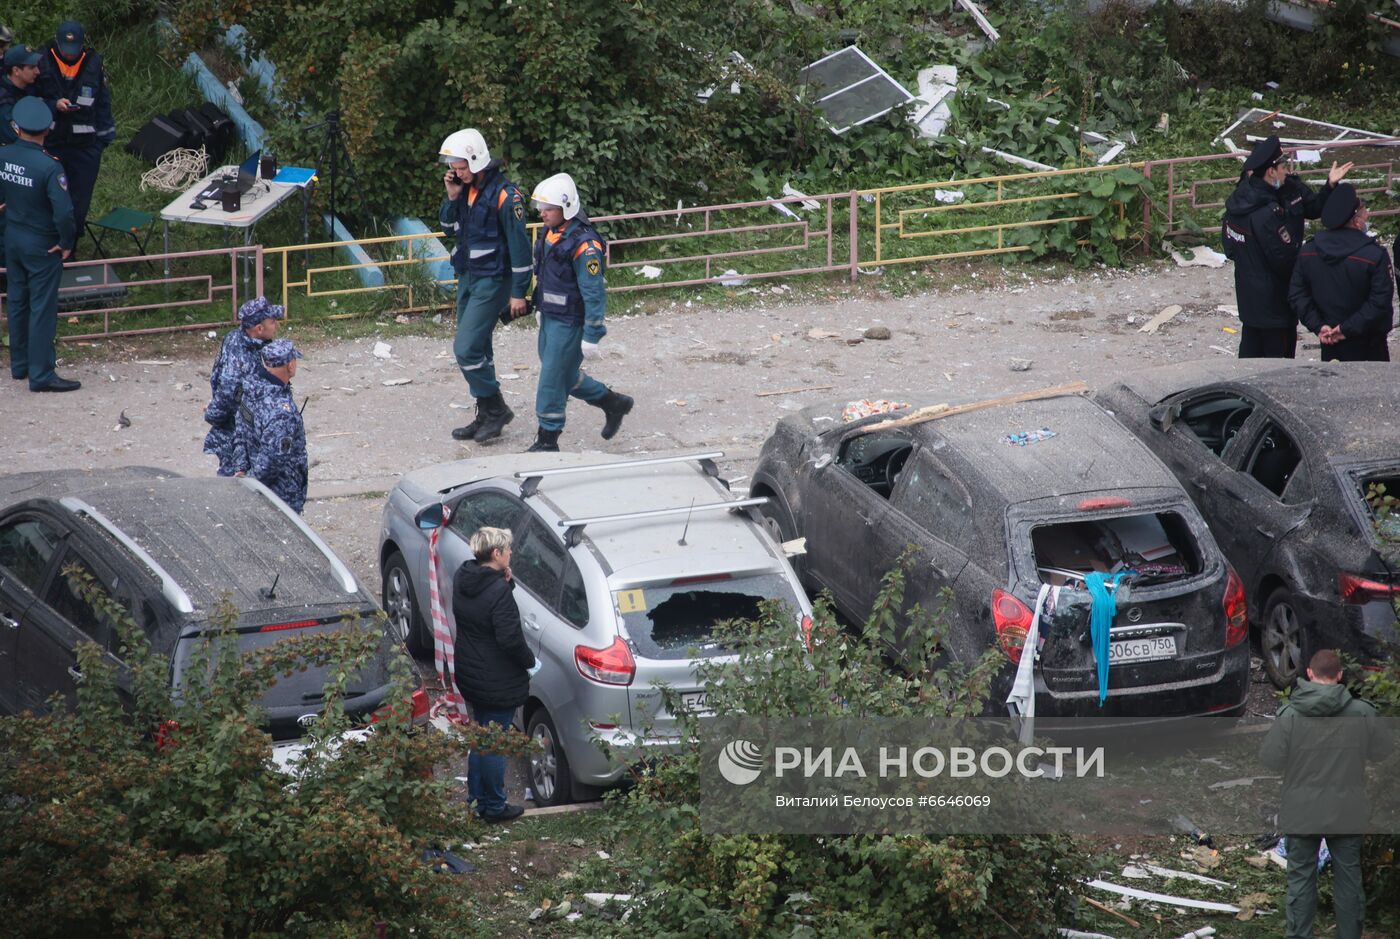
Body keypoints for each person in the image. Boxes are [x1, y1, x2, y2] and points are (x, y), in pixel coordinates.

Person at [1259, 649, 1393, 939]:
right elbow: (1382, 752)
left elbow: (1270, 759)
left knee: (1301, 878)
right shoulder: (1362, 713)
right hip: (1346, 810)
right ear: (1340, 675)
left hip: (1302, 811)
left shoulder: (1291, 715)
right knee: (1348, 879)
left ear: (1309, 673)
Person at [525, 172, 633, 452]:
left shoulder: (585, 245)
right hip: (550, 317)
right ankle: (613, 402)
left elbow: (593, 291)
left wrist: (593, 332)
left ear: (566, 208)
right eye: (542, 206)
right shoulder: (552, 233)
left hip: (570, 322)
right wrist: (540, 306)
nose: (542, 212)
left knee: (551, 380)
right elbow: (546, 274)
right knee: (565, 375)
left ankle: (547, 440)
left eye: (548, 208)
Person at [438, 128, 532, 444]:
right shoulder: (465, 189)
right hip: (468, 276)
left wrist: (519, 291)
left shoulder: (507, 196)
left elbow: (521, 248)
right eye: (454, 166)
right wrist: (451, 197)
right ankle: (486, 413)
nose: (456, 172)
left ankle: (496, 409)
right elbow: (449, 229)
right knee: (480, 349)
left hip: (494, 280)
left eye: (461, 166)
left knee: (465, 349)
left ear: (477, 161)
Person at [1221, 135, 1351, 359]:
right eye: (1282, 166)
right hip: (1274, 303)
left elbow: (1312, 208)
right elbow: (1284, 260)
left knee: (1250, 360)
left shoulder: (1285, 190)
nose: (1286, 171)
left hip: (1252, 302)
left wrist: (1330, 186)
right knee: (1276, 366)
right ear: (1271, 171)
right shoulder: (1259, 211)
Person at [452, 526, 538, 822]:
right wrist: (530, 662)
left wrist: (506, 585)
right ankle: (495, 806)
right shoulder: (497, 590)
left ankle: (476, 803)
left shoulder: (464, 577)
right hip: (496, 679)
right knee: (496, 744)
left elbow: (482, 609)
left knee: (481, 739)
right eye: (508, 548)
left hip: (469, 672)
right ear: (496, 553)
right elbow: (509, 638)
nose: (512, 552)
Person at [1, 96, 78, 392]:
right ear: (47, 130)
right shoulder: (50, 167)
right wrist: (66, 242)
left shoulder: (4, 156)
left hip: (13, 238)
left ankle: (19, 365)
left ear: (15, 127)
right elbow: (64, 212)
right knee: (42, 307)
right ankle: (42, 373)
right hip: (42, 244)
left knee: (17, 301)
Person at [1289, 183, 1394, 362]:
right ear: (1357, 221)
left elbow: (1297, 294)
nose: (1367, 215)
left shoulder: (1309, 251)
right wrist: (1346, 329)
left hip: (1329, 342)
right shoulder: (1373, 255)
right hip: (1369, 346)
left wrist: (1319, 326)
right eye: (1364, 211)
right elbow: (1380, 301)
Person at [36, 20, 114, 252]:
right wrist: (53, 105)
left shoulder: (93, 64)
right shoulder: (41, 61)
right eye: (65, 48)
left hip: (85, 147)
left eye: (74, 48)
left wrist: (102, 141)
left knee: (78, 203)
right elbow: (30, 100)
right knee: (50, 199)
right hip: (51, 144)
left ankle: (71, 246)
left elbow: (103, 104)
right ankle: (48, 245)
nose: (69, 54)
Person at [203, 297, 285, 475]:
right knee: (237, 481)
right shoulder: (243, 360)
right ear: (259, 328)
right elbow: (228, 392)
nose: (276, 325)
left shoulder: (235, 336)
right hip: (238, 432)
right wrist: (212, 413)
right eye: (273, 321)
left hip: (245, 426)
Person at [232, 338, 308, 513]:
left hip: (256, 488)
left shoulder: (252, 390)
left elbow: (240, 431)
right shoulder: (282, 413)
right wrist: (249, 485)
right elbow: (272, 463)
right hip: (280, 498)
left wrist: (241, 469)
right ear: (290, 365)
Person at [0, 44, 42, 145]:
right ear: (16, 71)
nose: (37, 72)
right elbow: (16, 137)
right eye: (32, 67)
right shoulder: (4, 100)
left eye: (37, 66)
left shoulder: (26, 89)